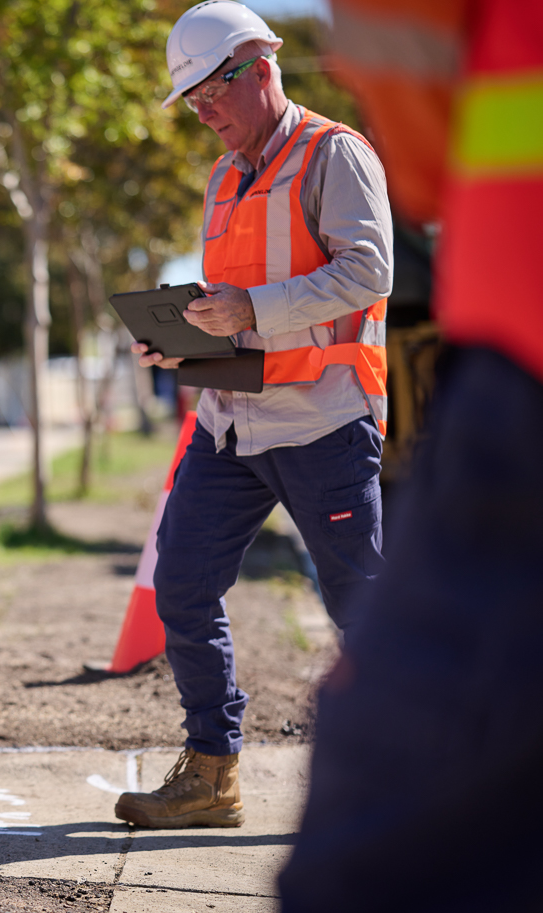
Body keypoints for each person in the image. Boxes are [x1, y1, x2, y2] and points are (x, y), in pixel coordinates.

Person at [279, 1, 543, 909]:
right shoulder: (234, 182)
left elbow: (415, 118)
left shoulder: (333, 151)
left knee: (385, 854)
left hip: (521, 352)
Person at [113, 0, 395, 829]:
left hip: (324, 421)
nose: (203, 113)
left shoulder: (333, 154)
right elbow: (229, 306)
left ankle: (399, 775)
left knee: (361, 603)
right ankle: (211, 774)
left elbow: (368, 271)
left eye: (211, 93)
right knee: (182, 584)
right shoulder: (224, 175)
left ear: (259, 68)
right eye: (193, 102)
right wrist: (184, 344)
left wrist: (251, 310)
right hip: (232, 423)